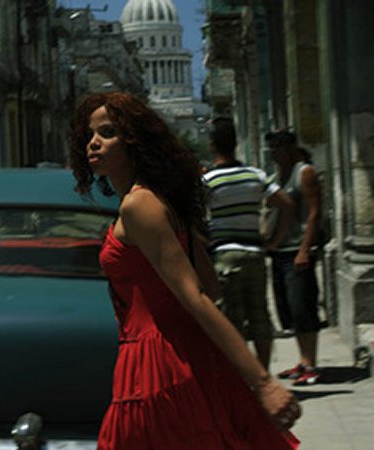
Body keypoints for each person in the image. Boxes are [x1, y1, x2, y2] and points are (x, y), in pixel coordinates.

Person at [69, 93, 300, 449]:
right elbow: (211, 286)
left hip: (156, 361)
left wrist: (263, 382)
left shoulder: (138, 205)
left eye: (108, 132)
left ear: (134, 141)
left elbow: (196, 296)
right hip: (186, 352)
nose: (93, 142)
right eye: (90, 134)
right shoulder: (158, 200)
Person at [203, 117, 294, 370]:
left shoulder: (209, 180)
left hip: (225, 255)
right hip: (255, 254)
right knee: (260, 316)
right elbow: (286, 204)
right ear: (235, 143)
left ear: (212, 145)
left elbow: (192, 217)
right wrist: (274, 241)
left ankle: (241, 376)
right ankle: (263, 373)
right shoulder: (256, 175)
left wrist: (207, 240)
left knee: (231, 320)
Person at [264, 129, 324, 386]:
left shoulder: (304, 173)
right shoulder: (277, 177)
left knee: (302, 307)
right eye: (271, 148)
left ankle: (310, 364)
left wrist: (304, 250)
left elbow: (314, 213)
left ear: (290, 148)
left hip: (297, 251)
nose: (273, 152)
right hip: (280, 251)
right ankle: (303, 360)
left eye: (277, 147)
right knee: (288, 309)